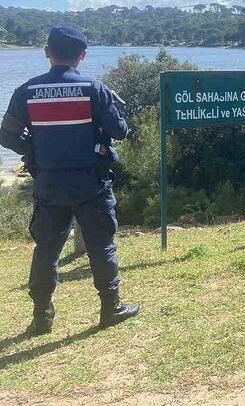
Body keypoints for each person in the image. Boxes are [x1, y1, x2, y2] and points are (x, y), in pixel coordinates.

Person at [0, 26, 140, 335]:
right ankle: (110, 307)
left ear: (47, 52)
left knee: (46, 250)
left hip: (49, 185)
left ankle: (41, 317)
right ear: (82, 55)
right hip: (91, 183)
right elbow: (120, 132)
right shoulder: (94, 88)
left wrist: (33, 149)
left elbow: (6, 135)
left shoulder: (27, 91)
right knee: (101, 245)